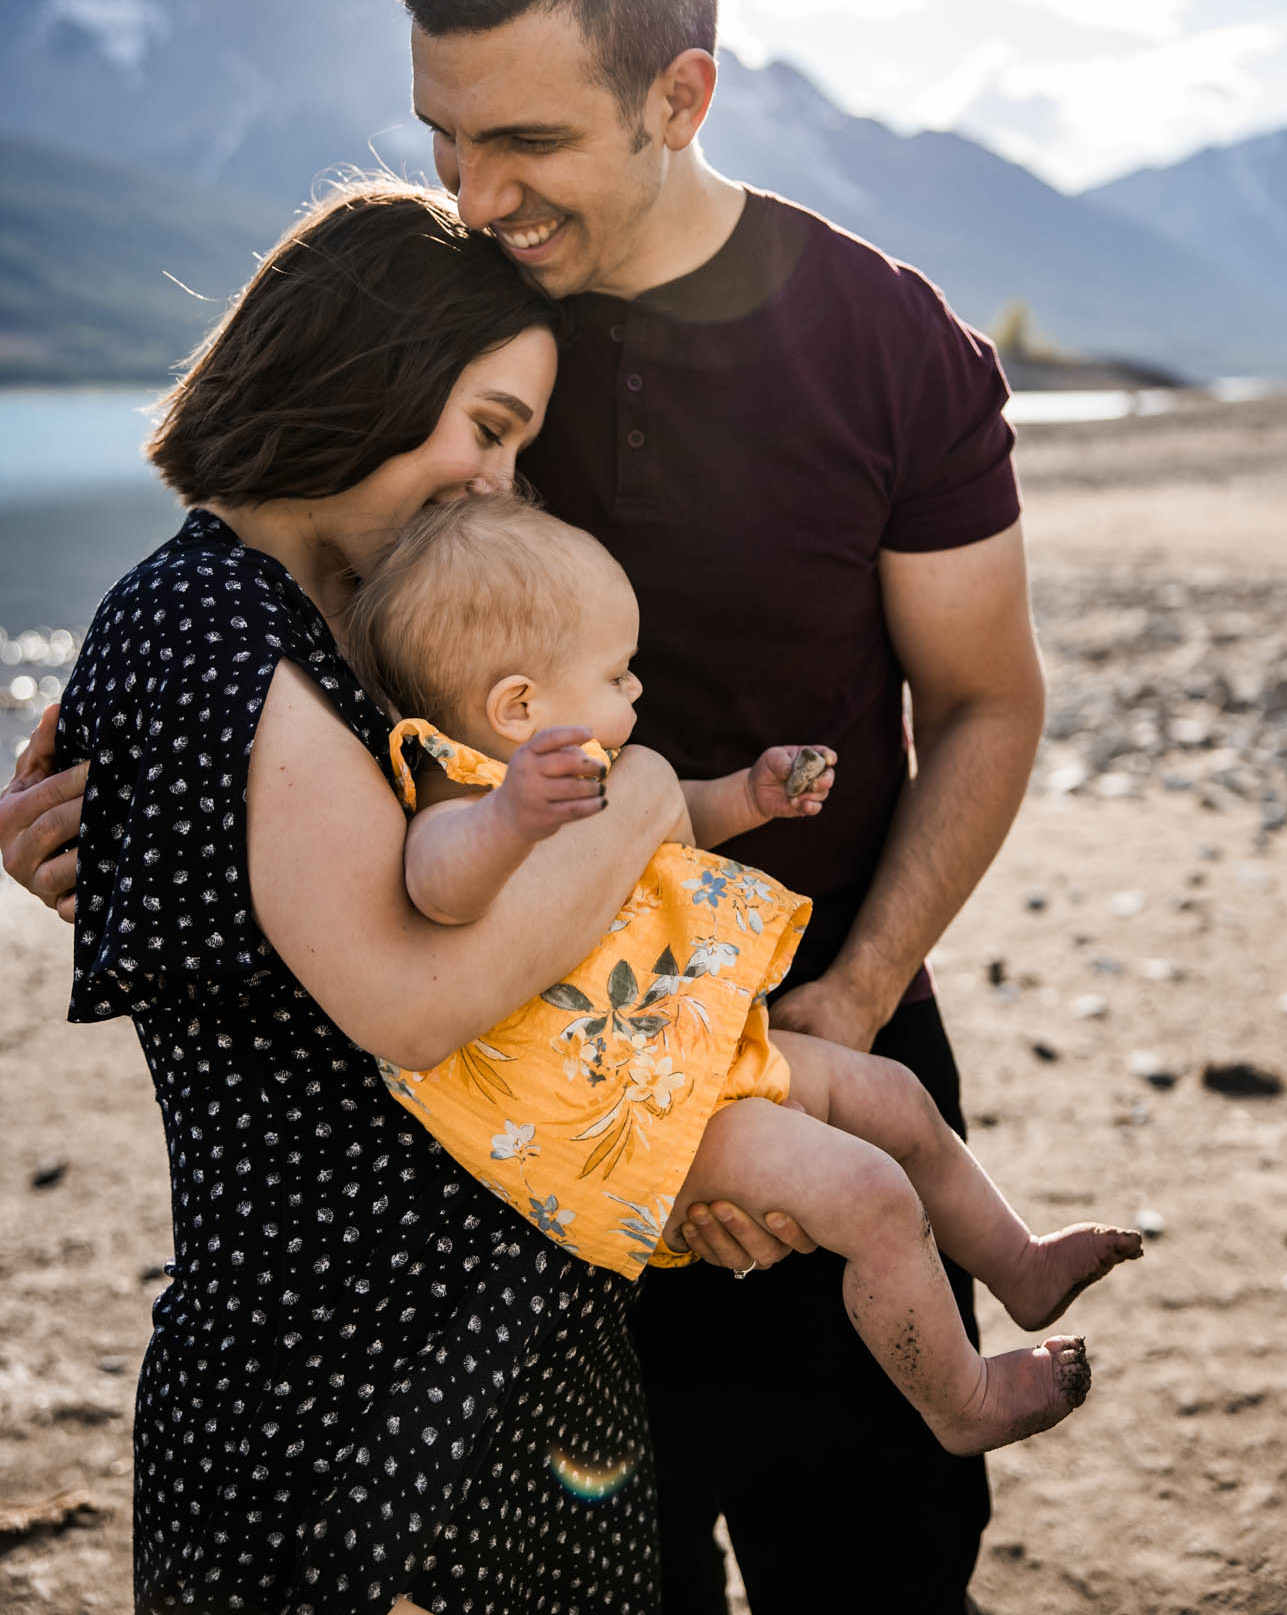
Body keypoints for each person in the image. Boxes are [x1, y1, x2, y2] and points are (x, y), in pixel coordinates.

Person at [4, 0, 1047, 1610]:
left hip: (809, 1045)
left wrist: (827, 1010)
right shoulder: (449, 356)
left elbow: (983, 702)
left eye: (528, 144)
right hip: (511, 1151)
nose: (477, 195)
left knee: (872, 1562)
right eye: (443, 140)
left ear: (679, 95)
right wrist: (124, 852)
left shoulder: (882, 344)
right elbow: (290, 694)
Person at [35, 180, 723, 1615]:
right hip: (364, 1401)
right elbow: (410, 1006)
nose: (495, 488)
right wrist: (649, 796)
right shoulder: (216, 625)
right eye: (488, 427)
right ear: (363, 365)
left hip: (458, 1363)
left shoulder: (303, 628)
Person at [341, 490, 1139, 1457]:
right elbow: (439, 889)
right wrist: (507, 816)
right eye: (616, 673)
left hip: (699, 1060)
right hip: (632, 1119)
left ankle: (1019, 1263)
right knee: (870, 1195)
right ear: (519, 706)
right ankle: (958, 1401)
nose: (636, 694)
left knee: (891, 1095)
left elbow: (674, 816)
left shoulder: (591, 777)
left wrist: (749, 797)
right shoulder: (453, 802)